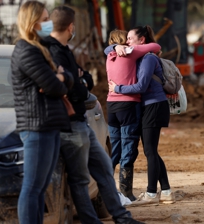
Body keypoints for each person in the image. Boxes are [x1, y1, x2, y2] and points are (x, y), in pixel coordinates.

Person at [45, 6, 144, 224]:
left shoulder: (65, 49)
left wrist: (78, 80)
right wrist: (78, 82)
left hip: (81, 121)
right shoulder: (51, 51)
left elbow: (86, 79)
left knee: (102, 170)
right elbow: (74, 87)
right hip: (67, 123)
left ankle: (121, 217)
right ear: (71, 26)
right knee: (81, 179)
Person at [10, 1, 72, 223]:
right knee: (32, 187)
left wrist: (62, 77)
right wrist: (60, 78)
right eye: (45, 19)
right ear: (33, 22)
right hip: (37, 127)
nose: (49, 24)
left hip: (48, 125)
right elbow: (56, 86)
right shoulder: (26, 50)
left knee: (41, 187)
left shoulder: (42, 48)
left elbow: (67, 79)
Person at [107, 25, 175, 205]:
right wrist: (114, 47)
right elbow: (108, 49)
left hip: (154, 106)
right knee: (151, 151)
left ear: (141, 40)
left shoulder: (148, 58)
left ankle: (151, 193)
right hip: (148, 107)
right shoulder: (138, 56)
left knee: (150, 151)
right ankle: (166, 190)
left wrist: (118, 89)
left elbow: (141, 87)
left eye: (130, 38)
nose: (127, 42)